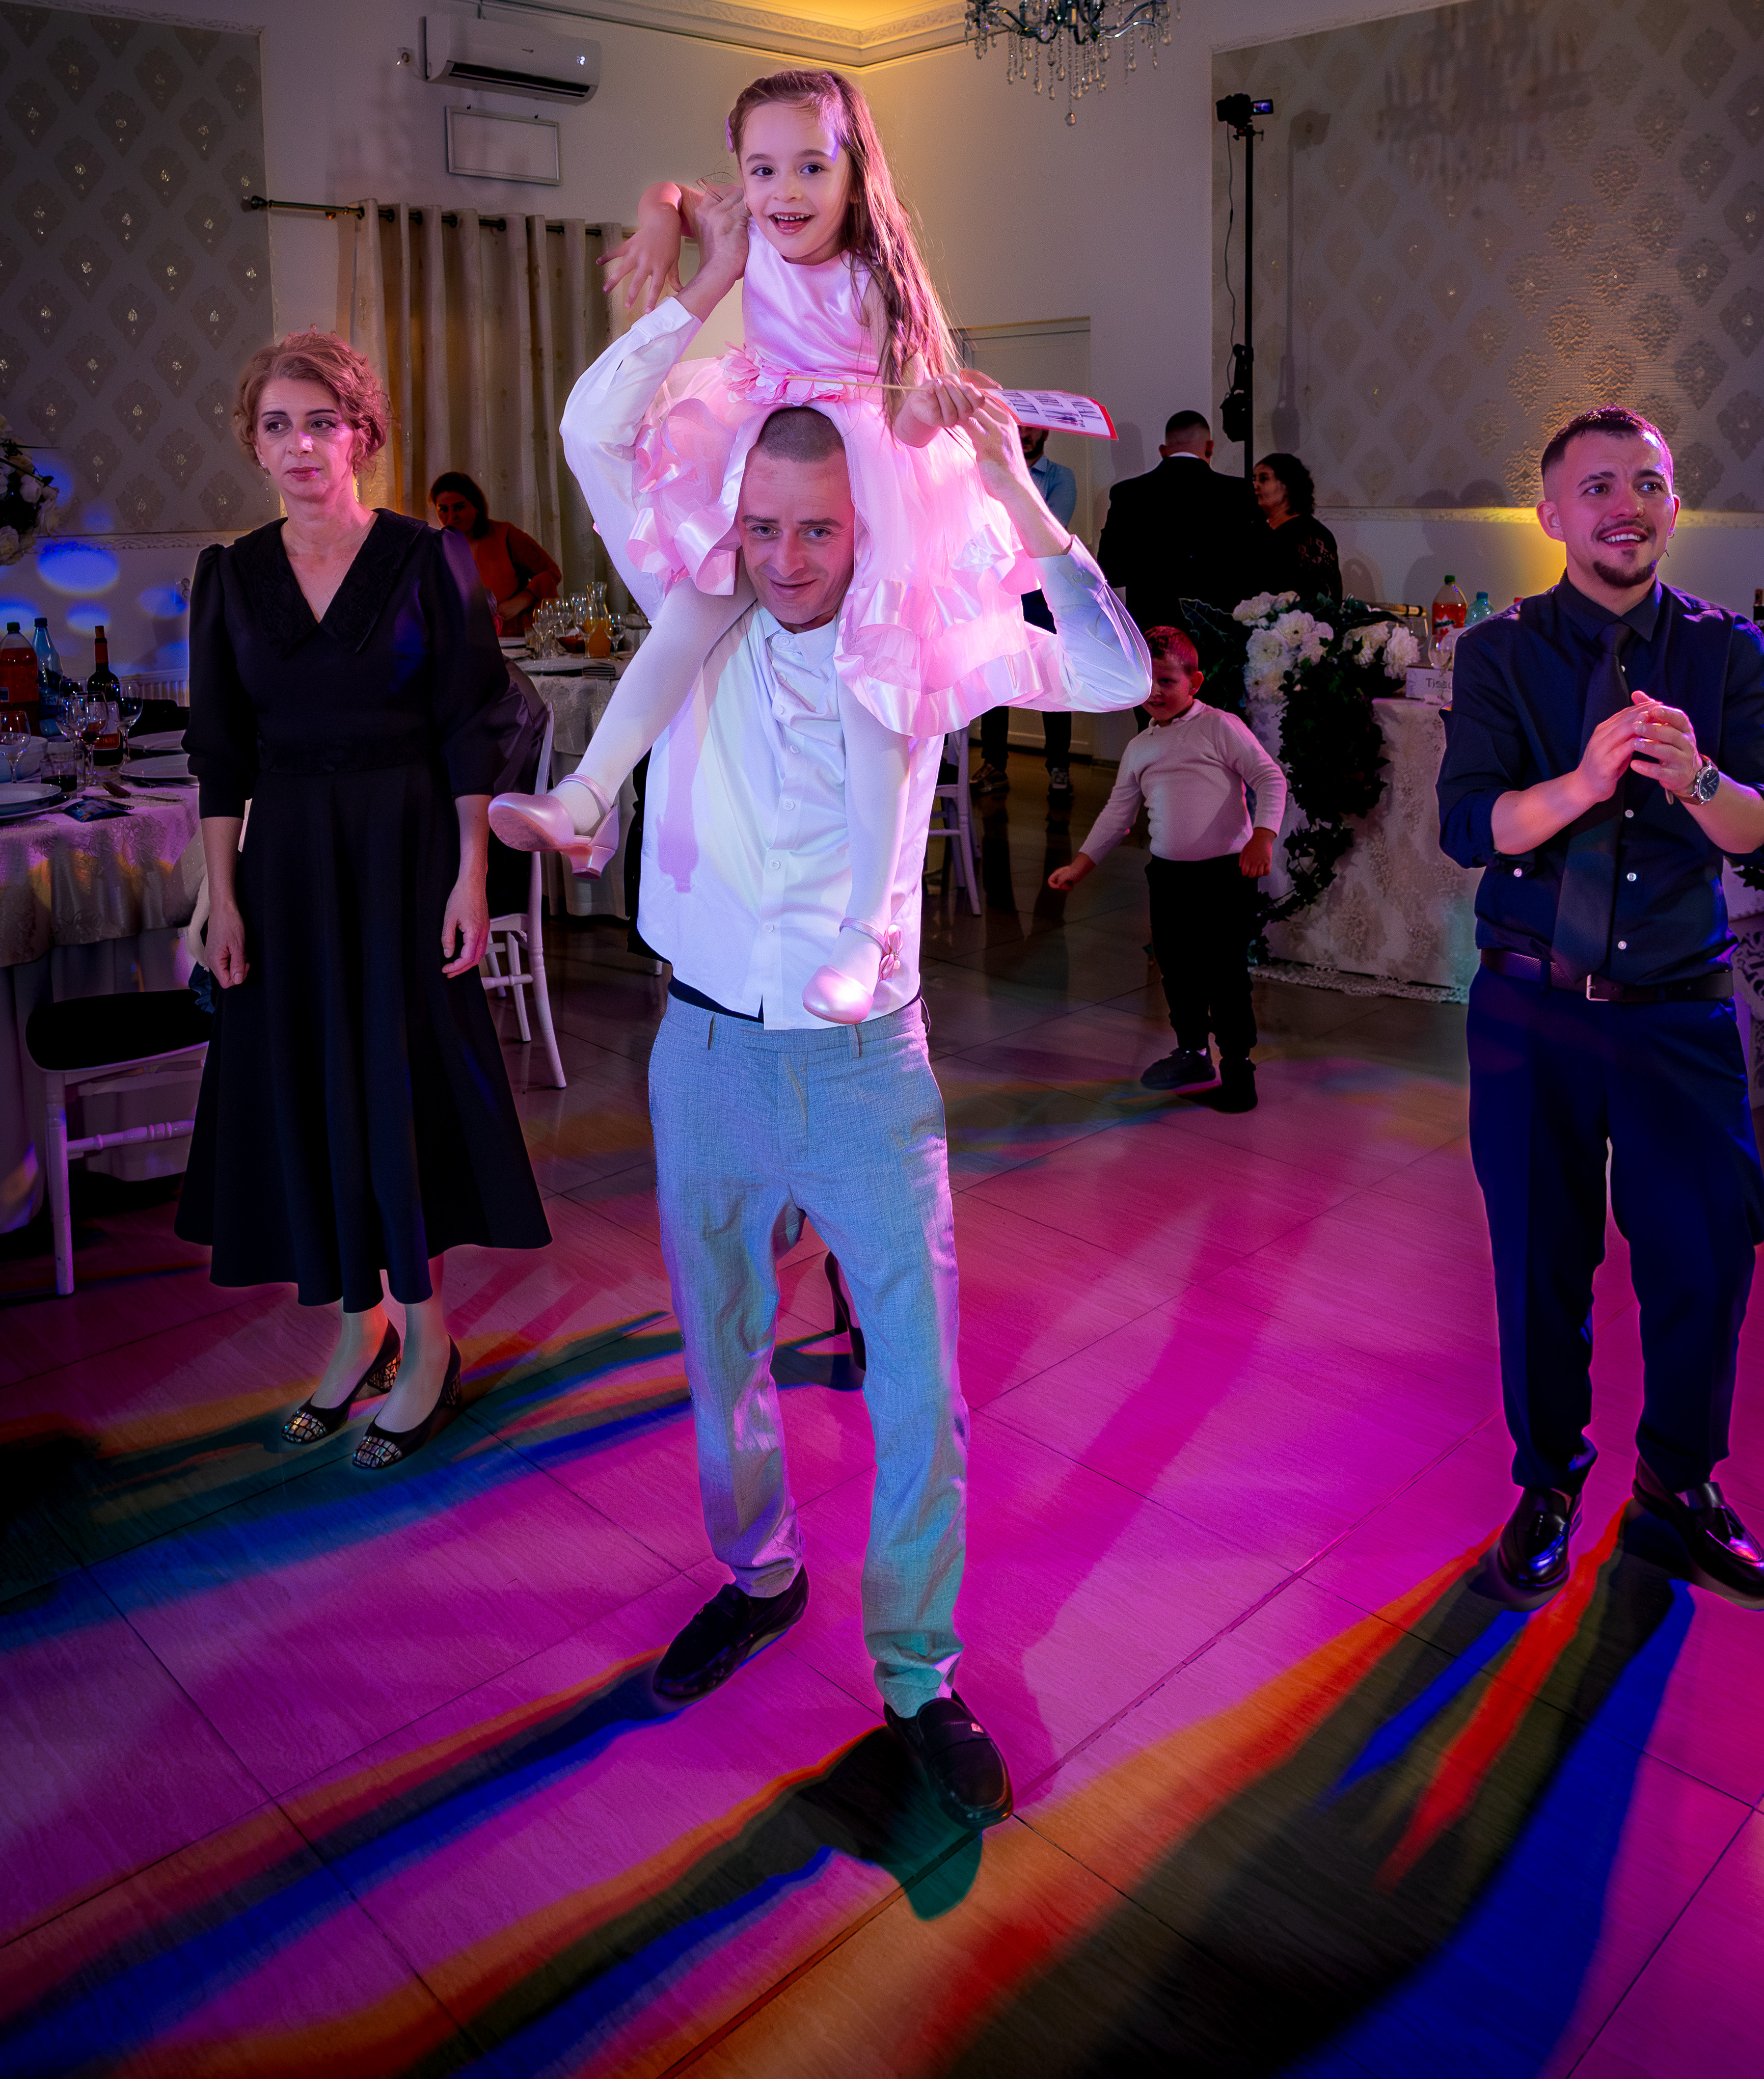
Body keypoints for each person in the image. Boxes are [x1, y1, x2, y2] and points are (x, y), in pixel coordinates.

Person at [555, 270, 1149, 1821]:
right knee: (722, 1346)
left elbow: (1114, 674)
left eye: (817, 529)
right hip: (702, 1052)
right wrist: (692, 288)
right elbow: (595, 426)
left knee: (919, 1380)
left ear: (867, 526)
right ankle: (759, 1572)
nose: (786, 557)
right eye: (764, 526)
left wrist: (1013, 482)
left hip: (866, 1067)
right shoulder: (693, 622)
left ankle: (918, 1673)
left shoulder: (924, 643)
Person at [489, 67, 1046, 1027]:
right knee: (683, 625)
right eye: (762, 169)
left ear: (854, 171)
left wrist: (937, 408)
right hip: (759, 443)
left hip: (860, 466)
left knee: (874, 693)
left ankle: (864, 930)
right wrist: (659, 222)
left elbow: (902, 417)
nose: (784, 191)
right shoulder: (748, 234)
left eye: (811, 168)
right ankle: (586, 793)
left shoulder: (873, 277)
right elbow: (673, 192)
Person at [1436, 404, 1764, 1609]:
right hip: (1530, 1010)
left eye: (1645, 482)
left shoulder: (1725, 650)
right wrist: (1583, 782)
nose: (1623, 505)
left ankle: (1677, 1485)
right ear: (1552, 514)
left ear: (1672, 505)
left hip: (1678, 1013)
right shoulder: (1499, 653)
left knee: (1704, 1253)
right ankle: (1546, 1483)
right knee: (1540, 1258)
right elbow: (1469, 825)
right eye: (1596, 485)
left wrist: (1698, 777)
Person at [180, 332, 550, 1466]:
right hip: (287, 866)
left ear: (362, 434)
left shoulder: (426, 558)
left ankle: (430, 1340)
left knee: (399, 1096)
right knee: (315, 1095)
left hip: (405, 857)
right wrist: (221, 896)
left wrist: (472, 874)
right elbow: (218, 751)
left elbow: (471, 726)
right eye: (277, 425)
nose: (300, 444)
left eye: (321, 422)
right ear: (253, 443)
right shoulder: (228, 574)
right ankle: (362, 1325)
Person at [1048, 626, 1285, 1114]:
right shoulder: (1140, 747)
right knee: (1177, 968)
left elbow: (1269, 777)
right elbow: (1117, 813)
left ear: (1194, 682)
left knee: (1224, 972)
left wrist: (1262, 836)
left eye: (1167, 681)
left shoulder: (1219, 727)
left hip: (1225, 876)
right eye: (1146, 682)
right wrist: (1080, 864)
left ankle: (1237, 1064)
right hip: (1170, 878)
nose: (1155, 692)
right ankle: (1192, 1052)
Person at [974, 422, 1077, 803]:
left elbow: (1048, 530)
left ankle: (1059, 765)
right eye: (1018, 428)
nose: (1025, 435)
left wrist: (1011, 491)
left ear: (1046, 434)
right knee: (997, 675)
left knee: (1053, 676)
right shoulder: (988, 471)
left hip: (1043, 594)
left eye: (1032, 429)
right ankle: (994, 763)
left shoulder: (1060, 477)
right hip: (1000, 589)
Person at [1096, 410, 1262, 638]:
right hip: (1217, 631)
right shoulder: (1240, 493)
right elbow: (1254, 568)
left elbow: (1112, 570)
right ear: (1210, 447)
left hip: (1152, 629)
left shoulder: (1128, 493)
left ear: (1163, 451)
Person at [429, 472, 562, 638]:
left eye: (459, 507)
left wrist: (522, 601)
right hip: (461, 640)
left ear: (476, 507)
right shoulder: (435, 547)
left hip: (513, 637)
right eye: (443, 510)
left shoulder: (506, 535)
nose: (451, 517)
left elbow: (551, 572)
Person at [1251, 450, 1340, 604]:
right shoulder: (1257, 530)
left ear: (1287, 486)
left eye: (1263, 479)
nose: (1255, 485)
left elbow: (1323, 599)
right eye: (1254, 479)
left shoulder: (1313, 535)